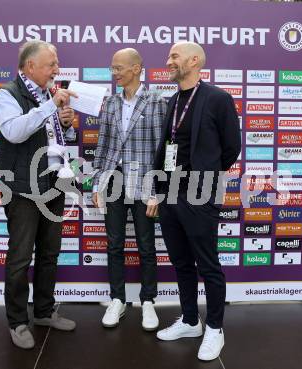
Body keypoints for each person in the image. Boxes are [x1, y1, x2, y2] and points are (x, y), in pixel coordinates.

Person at [154, 42, 241, 361]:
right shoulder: (173, 100)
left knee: (208, 264)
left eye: (174, 56)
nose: (168, 61)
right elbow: (165, 148)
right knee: (180, 262)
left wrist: (206, 178)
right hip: (170, 192)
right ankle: (191, 320)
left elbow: (232, 148)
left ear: (194, 60)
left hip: (201, 193)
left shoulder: (218, 99)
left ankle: (215, 328)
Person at [0, 40, 78, 349]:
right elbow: (14, 132)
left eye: (56, 63)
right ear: (30, 67)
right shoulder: (6, 94)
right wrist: (51, 107)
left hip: (54, 184)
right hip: (23, 189)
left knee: (50, 254)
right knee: (20, 258)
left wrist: (66, 127)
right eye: (51, 64)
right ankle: (17, 322)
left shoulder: (46, 95)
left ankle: (42, 312)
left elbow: (52, 139)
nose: (56, 69)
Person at [92, 48, 167, 331]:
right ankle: (117, 299)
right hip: (114, 180)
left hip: (145, 182)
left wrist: (157, 190)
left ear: (136, 68)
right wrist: (97, 183)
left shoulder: (157, 101)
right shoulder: (110, 103)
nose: (115, 73)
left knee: (147, 246)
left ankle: (148, 301)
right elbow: (103, 146)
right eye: (112, 68)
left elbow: (162, 149)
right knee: (115, 244)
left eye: (119, 68)